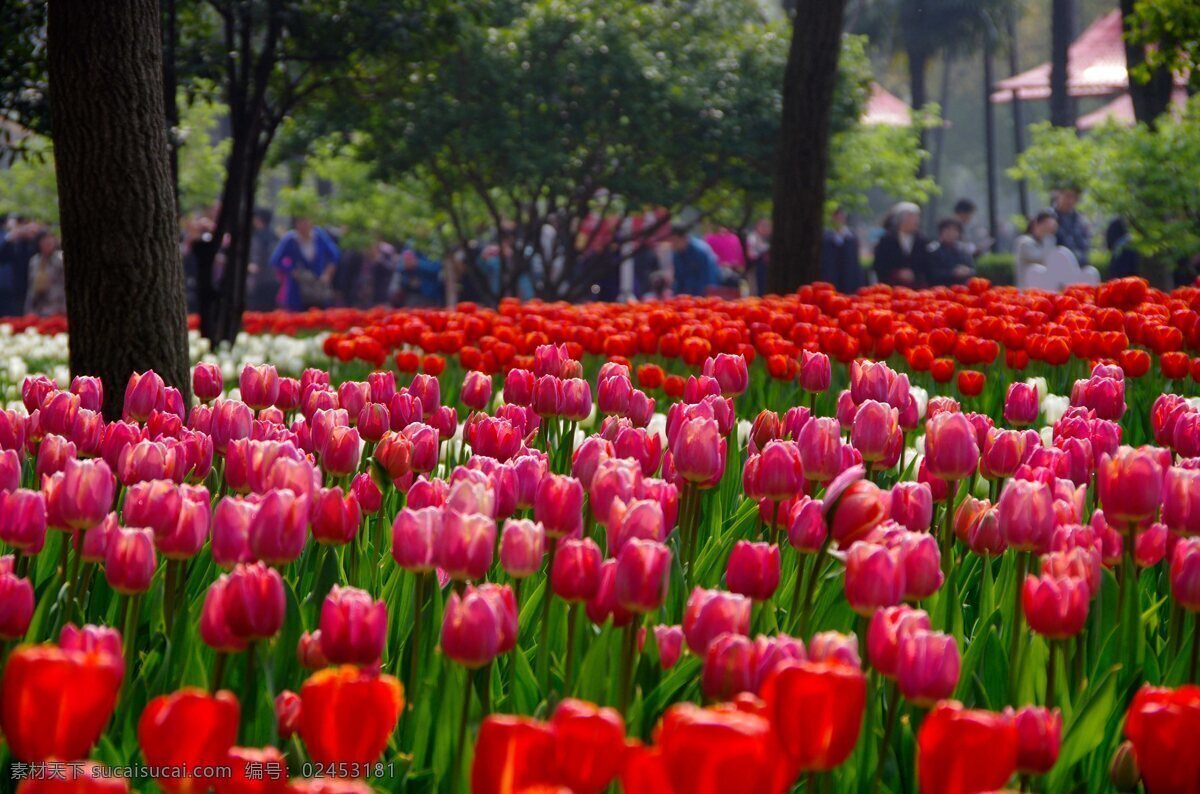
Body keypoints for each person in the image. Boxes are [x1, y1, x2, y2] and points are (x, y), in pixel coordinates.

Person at [269, 217, 340, 310]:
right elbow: (275, 260)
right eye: (300, 222)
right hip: (298, 287)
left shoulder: (319, 235)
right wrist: (291, 270)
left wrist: (327, 273)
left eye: (306, 221)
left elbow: (334, 255)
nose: (303, 225)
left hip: (318, 285)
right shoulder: (290, 239)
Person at [872, 202, 929, 287]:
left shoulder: (922, 241)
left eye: (917, 218)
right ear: (901, 219)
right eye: (912, 218)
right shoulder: (886, 240)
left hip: (916, 288)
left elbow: (927, 265)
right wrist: (897, 273)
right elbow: (879, 264)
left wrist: (914, 274)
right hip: (892, 287)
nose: (916, 221)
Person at [666, 224, 721, 296]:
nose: (673, 245)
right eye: (671, 242)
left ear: (684, 238)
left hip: (701, 297)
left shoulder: (701, 251)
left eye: (675, 241)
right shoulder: (676, 254)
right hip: (686, 297)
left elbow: (710, 280)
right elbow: (678, 279)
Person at [819, 208, 864, 293]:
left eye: (841, 216)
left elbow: (854, 261)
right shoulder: (826, 237)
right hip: (832, 277)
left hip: (849, 278)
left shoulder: (851, 237)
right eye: (837, 217)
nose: (839, 219)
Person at [1014, 209, 1058, 288]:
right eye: (1046, 225)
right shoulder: (1025, 242)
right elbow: (1042, 259)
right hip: (1026, 290)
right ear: (1037, 224)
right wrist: (1049, 238)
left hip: (1044, 288)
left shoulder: (1046, 241)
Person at [246, 208, 280, 312]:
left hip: (259, 280)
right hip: (274, 279)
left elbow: (255, 258)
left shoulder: (257, 237)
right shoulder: (275, 236)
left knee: (257, 312)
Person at [926, 218, 975, 287]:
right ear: (941, 232)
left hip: (963, 290)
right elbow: (931, 274)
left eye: (954, 230)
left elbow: (973, 270)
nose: (951, 233)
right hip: (941, 290)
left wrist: (967, 271)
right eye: (947, 229)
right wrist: (952, 273)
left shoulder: (964, 250)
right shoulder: (933, 250)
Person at [25, 231, 65, 316]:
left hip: (58, 307)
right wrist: (28, 310)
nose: (48, 244)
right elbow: (31, 287)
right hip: (39, 308)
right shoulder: (34, 261)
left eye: (50, 241)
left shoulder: (60, 259)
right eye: (45, 241)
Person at [1052, 188, 1090, 267]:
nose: (1070, 201)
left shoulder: (1079, 220)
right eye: (1067, 196)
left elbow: (1084, 245)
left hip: (1079, 266)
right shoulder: (1050, 218)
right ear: (1058, 195)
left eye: (1074, 197)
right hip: (1058, 267)